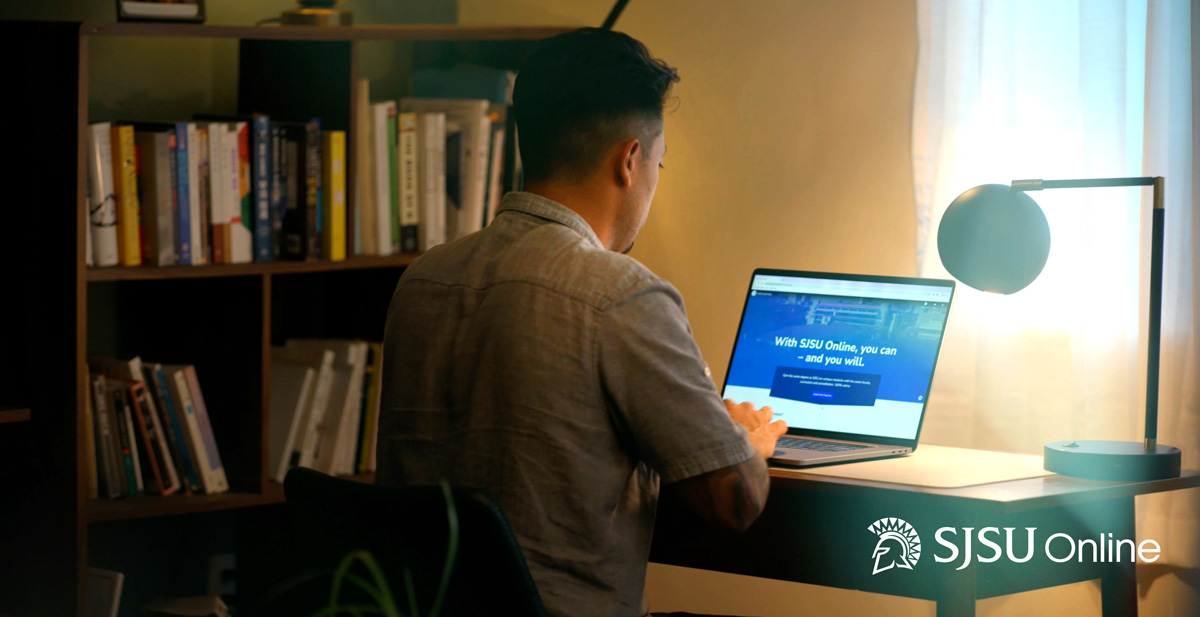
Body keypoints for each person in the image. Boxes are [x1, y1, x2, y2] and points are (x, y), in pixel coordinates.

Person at [376, 27, 787, 617]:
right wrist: (748, 440)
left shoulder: (421, 280)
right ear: (629, 160)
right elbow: (736, 500)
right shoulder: (621, 294)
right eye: (658, 165)